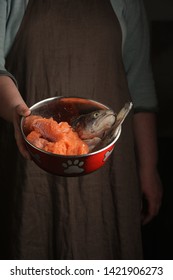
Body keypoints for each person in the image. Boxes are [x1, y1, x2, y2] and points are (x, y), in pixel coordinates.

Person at [0, 0, 162, 260]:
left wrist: (148, 168)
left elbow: (139, 84)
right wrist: (21, 116)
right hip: (33, 158)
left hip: (110, 162)